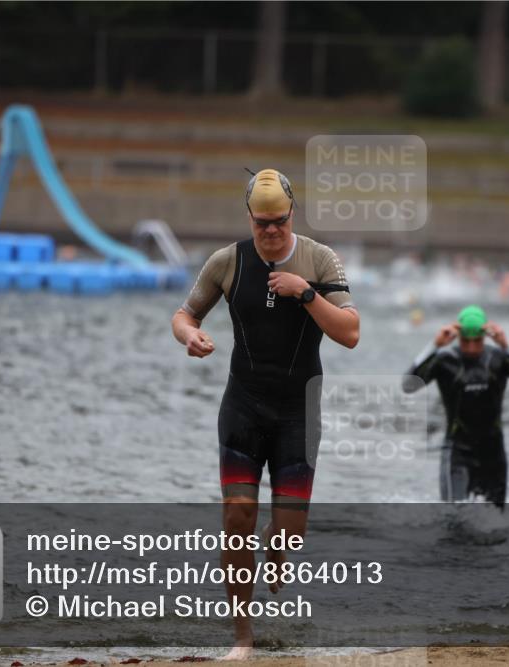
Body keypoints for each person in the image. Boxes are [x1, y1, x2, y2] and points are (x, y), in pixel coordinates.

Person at [171, 168, 359, 660]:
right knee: (237, 516)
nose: (271, 230)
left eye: (279, 221)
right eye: (261, 223)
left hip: (299, 412)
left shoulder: (320, 259)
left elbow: (350, 333)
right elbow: (184, 314)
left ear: (292, 212)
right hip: (244, 406)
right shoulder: (227, 261)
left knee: (290, 531)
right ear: (249, 216)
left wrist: (305, 292)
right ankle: (243, 637)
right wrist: (190, 335)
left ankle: (277, 546)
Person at [402, 305, 509, 509]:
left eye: (476, 341)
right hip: (457, 453)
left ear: (484, 337)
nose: (471, 347)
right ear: (458, 337)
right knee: (455, 515)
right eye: (465, 341)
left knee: (495, 519)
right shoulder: (445, 360)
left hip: (493, 454)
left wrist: (507, 346)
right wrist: (434, 346)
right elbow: (408, 385)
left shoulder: (499, 358)